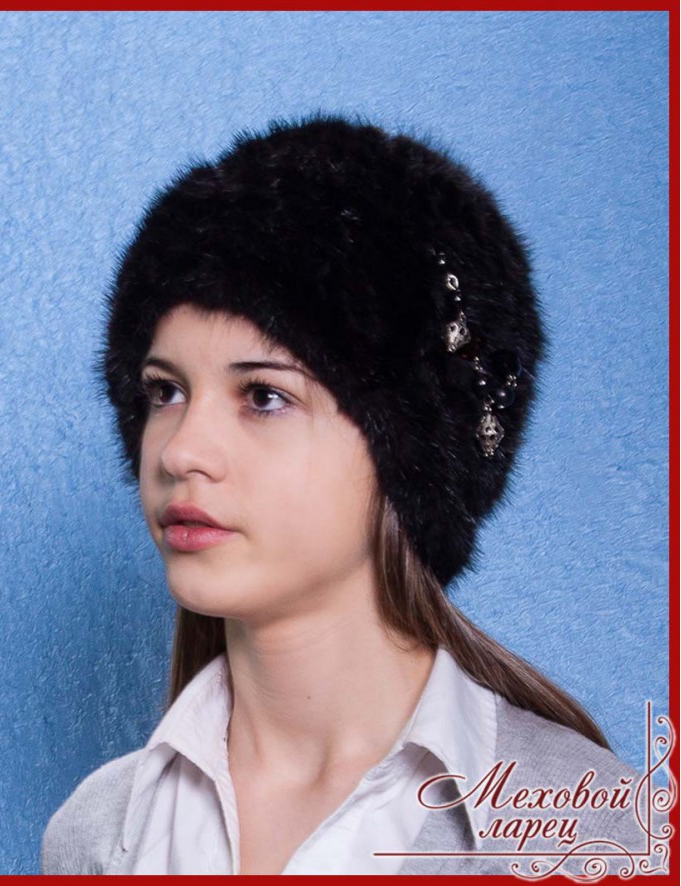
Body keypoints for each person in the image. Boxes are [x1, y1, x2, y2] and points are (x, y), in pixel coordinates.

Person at [40, 114, 649, 876]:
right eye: (164, 391)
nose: (180, 451)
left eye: (263, 396)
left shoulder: (591, 835)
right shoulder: (97, 833)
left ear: (409, 457)